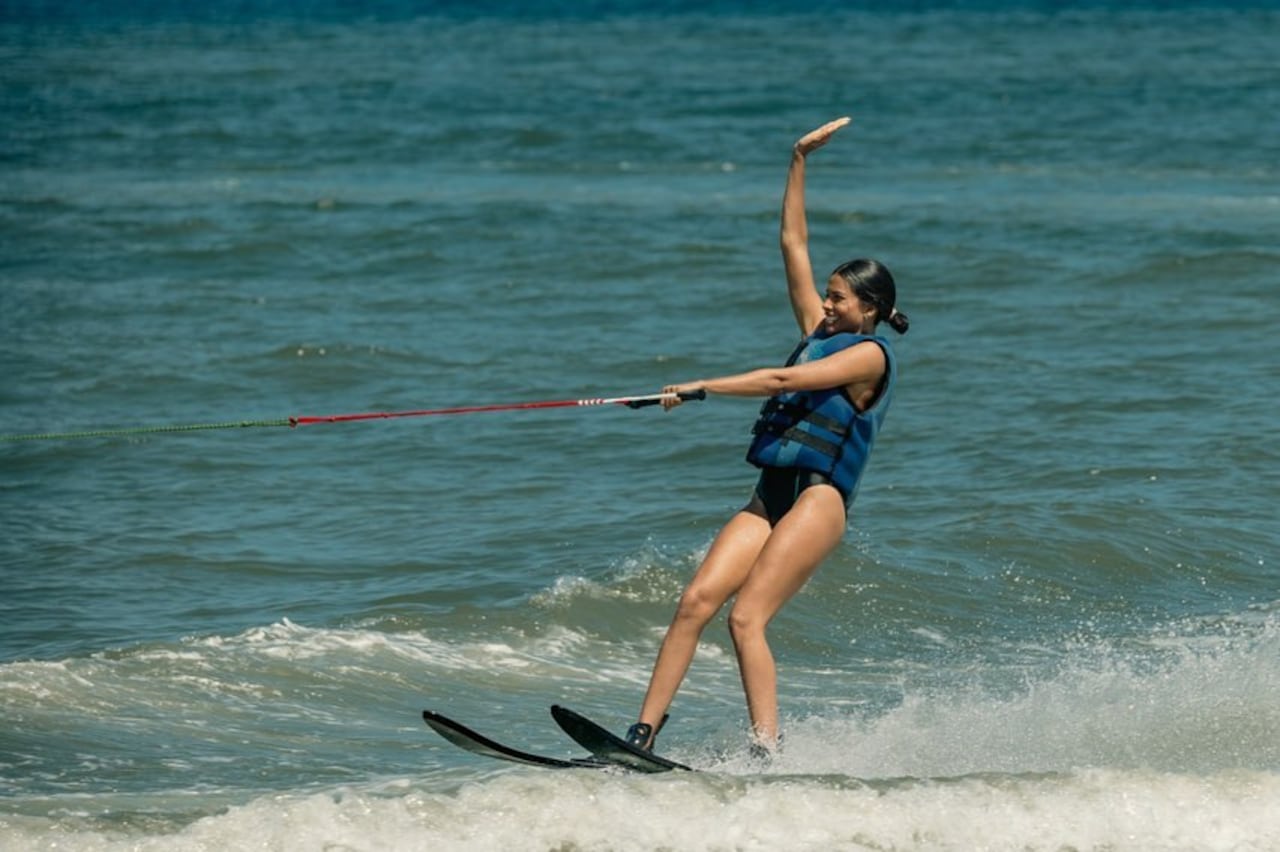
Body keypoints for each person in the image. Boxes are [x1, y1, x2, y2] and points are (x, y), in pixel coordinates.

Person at [630, 116, 910, 755]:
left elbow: (783, 377)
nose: (829, 304)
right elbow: (792, 242)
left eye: (840, 298)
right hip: (770, 492)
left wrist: (702, 386)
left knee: (746, 617)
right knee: (695, 601)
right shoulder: (820, 329)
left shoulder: (869, 356)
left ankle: (767, 751)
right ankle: (640, 736)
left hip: (818, 502)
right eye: (829, 296)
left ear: (868, 309)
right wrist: (798, 160)